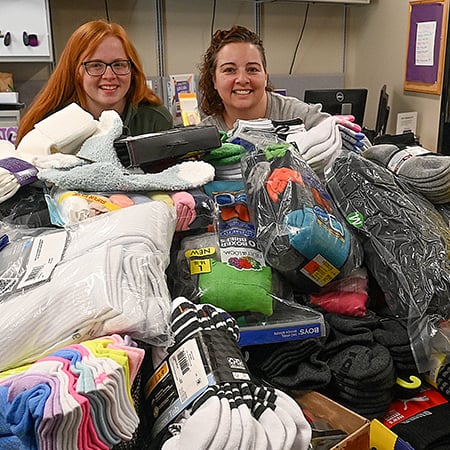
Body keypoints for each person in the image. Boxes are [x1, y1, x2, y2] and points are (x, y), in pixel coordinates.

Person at [16, 19, 173, 145]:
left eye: (118, 64)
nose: (109, 75)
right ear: (77, 71)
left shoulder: (154, 121)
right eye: (96, 65)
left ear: (132, 70)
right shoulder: (49, 123)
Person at [198, 25, 329, 132]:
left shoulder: (298, 116)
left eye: (252, 69)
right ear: (214, 79)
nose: (242, 80)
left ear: (265, 75)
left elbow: (340, 137)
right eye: (229, 70)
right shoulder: (204, 136)